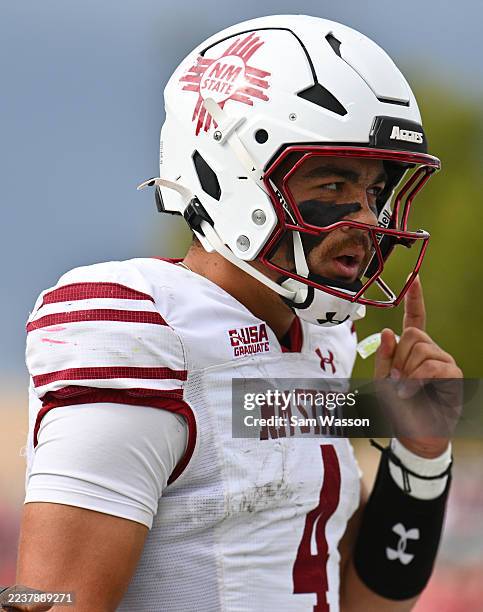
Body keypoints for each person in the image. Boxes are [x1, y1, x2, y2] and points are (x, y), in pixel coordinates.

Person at [13, 15, 462, 612]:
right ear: (231, 175)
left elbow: (352, 600)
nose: (366, 218)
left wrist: (419, 458)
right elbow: (48, 601)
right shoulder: (147, 330)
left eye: (374, 192)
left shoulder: (320, 342)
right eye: (333, 184)